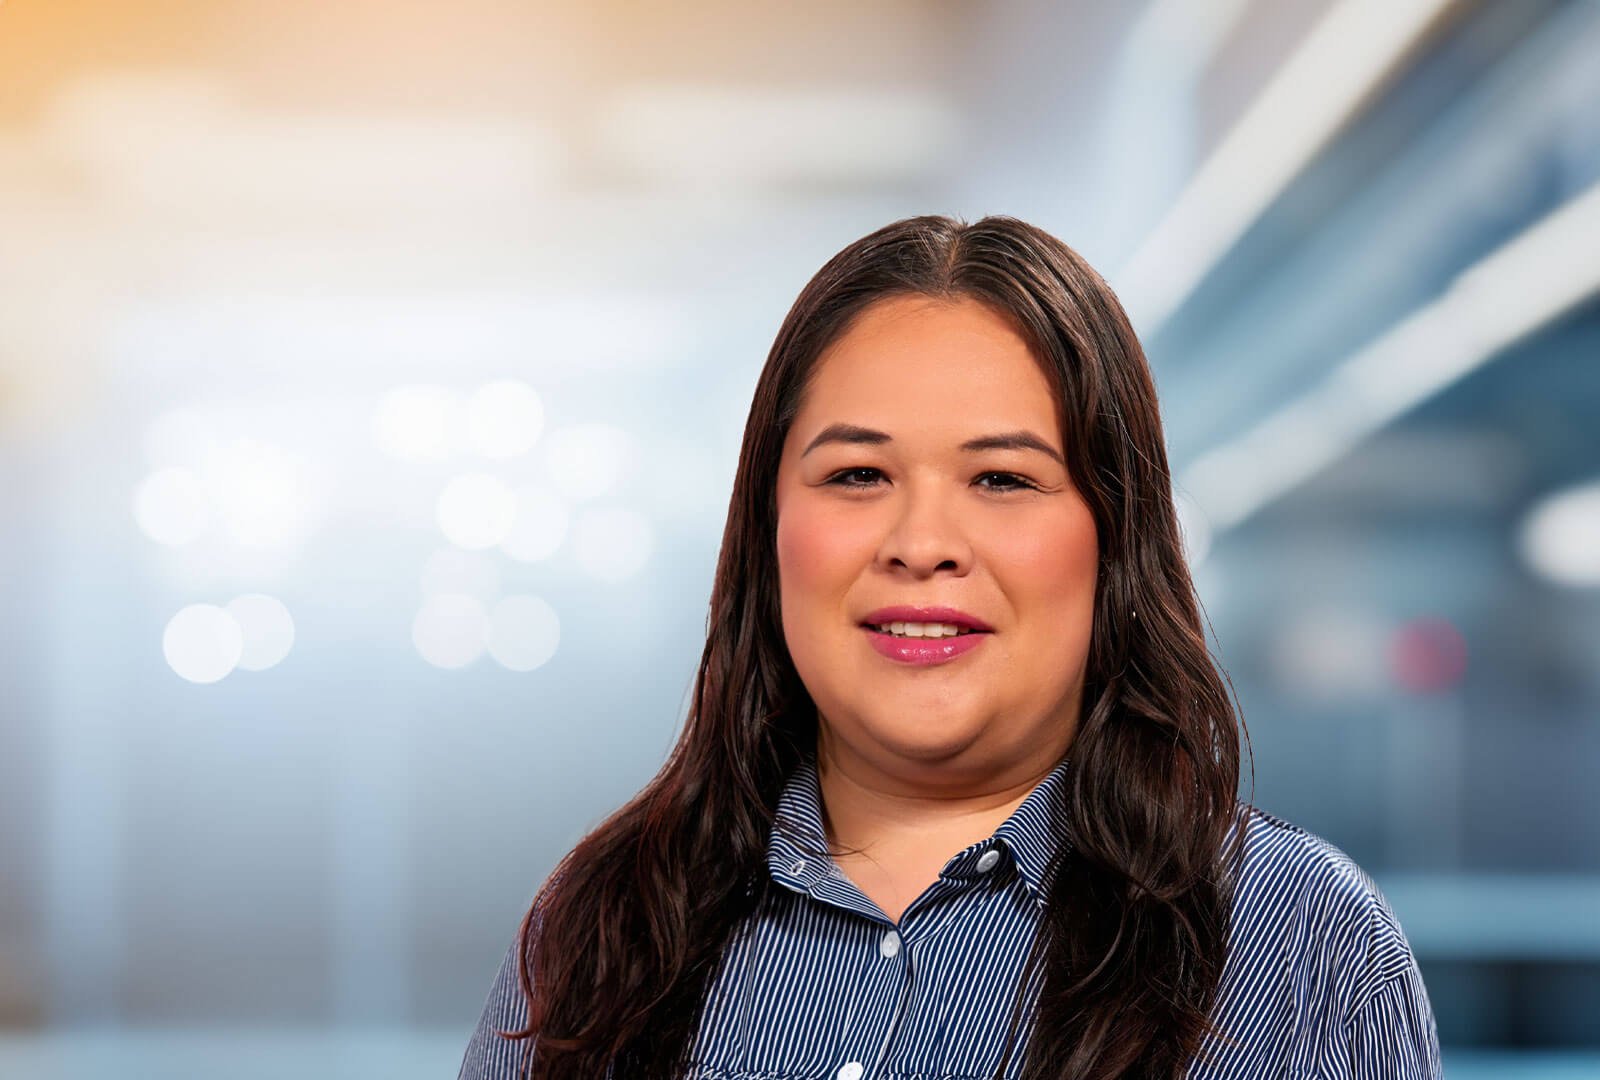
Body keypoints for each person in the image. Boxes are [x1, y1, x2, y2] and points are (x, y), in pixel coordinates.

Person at [456, 215, 1443, 1080]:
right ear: (766, 531)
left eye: (1003, 480)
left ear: (1116, 538)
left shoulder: (1302, 943)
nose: (921, 544)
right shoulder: (611, 918)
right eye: (855, 474)